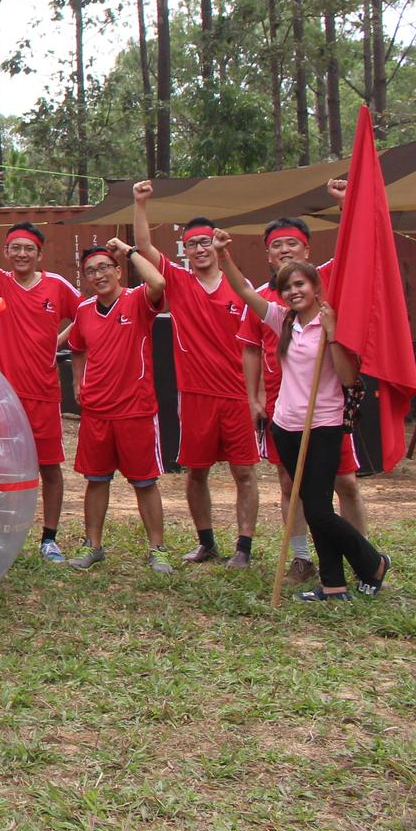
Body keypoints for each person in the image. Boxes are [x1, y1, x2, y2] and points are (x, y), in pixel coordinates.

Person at [217, 235, 390, 601]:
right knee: (314, 508)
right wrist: (222, 253)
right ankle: (333, 584)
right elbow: (244, 291)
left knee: (319, 511)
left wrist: (332, 334)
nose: (293, 292)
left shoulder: (331, 322)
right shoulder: (282, 320)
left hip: (323, 425)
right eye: (287, 287)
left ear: (314, 286)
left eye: (300, 284)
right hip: (286, 426)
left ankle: (373, 562)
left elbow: (348, 377)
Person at [133, 182, 260, 569]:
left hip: (236, 394)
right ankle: (206, 542)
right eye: (192, 244)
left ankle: (244, 547)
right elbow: (143, 246)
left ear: (216, 245)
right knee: (196, 472)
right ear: (184, 251)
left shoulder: (239, 285)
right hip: (195, 394)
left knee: (244, 472)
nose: (200, 249)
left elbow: (257, 344)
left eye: (205, 242)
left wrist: (257, 395)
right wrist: (140, 203)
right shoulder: (178, 281)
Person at [237, 212, 366, 582]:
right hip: (283, 407)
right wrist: (253, 397)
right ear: (268, 255)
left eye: (291, 243)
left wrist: (345, 206)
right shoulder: (266, 300)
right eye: (276, 245)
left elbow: (355, 251)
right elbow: (250, 348)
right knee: (289, 484)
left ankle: (361, 554)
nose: (284, 250)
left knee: (345, 482)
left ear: (306, 249)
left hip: (326, 406)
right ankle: (301, 558)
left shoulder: (324, 284)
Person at [0, 194, 82, 563]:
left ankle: (49, 539)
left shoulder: (56, 286)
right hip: (4, 396)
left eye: (28, 248)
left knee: (50, 467)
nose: (21, 254)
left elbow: (86, 315)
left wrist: (57, 342)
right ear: (6, 252)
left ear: (39, 254)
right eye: (15, 248)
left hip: (44, 393)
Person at [65, 240, 173, 574]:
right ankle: (93, 545)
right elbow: (77, 347)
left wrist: (130, 251)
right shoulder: (84, 310)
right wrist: (78, 382)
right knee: (96, 480)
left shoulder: (137, 300)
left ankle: (157, 549)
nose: (98, 275)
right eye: (90, 271)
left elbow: (159, 282)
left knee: (144, 482)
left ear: (117, 271)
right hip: (97, 411)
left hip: (135, 409)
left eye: (103, 268)